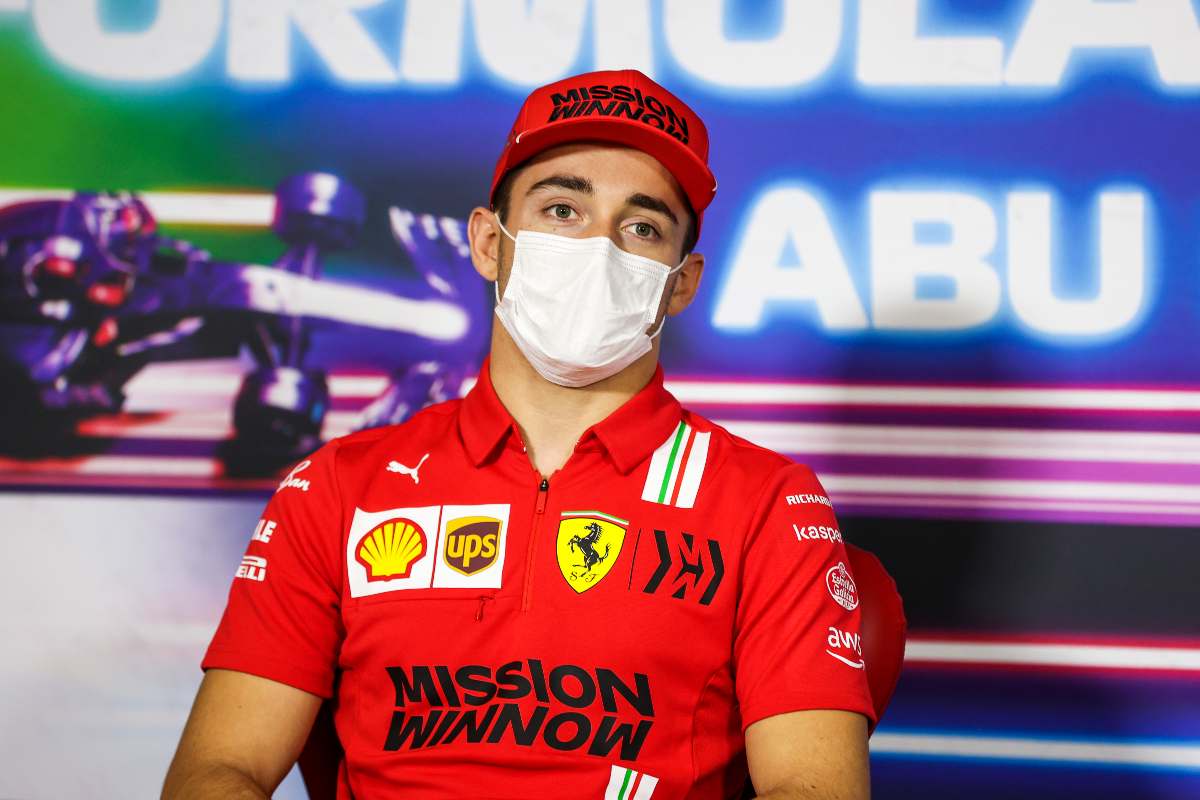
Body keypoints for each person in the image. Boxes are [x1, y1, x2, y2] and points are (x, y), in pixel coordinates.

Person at [163, 69, 874, 800]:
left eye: (642, 227)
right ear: (486, 242)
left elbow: (813, 786)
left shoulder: (767, 505)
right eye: (562, 209)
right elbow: (221, 768)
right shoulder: (337, 488)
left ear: (682, 282)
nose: (599, 248)